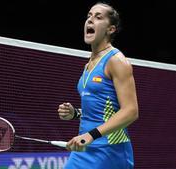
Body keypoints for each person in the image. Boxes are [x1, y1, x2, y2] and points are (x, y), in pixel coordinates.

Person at [57, 2, 139, 169]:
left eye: (98, 17)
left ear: (111, 29)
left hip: (110, 150)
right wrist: (75, 114)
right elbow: (102, 110)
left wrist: (92, 135)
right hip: (85, 146)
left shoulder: (116, 61)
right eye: (89, 16)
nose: (90, 20)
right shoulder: (89, 64)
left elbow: (131, 111)